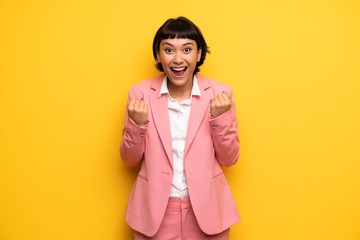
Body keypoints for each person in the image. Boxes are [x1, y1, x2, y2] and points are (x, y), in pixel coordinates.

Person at [120, 16, 240, 240]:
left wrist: (219, 119)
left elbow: (230, 158)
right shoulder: (140, 94)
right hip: (153, 214)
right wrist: (137, 124)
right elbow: (129, 159)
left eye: (186, 50)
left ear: (199, 54)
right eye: (168, 50)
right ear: (158, 54)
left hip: (208, 213)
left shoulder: (220, 94)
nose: (177, 59)